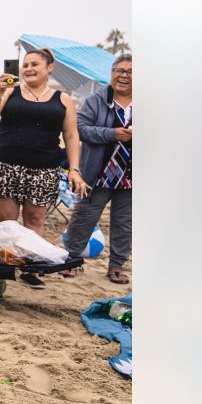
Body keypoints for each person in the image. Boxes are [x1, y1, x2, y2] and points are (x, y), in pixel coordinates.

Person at [0, 47, 88, 289]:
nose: (28, 69)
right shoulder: (11, 91)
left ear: (49, 68)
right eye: (26, 65)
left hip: (45, 168)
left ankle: (30, 268)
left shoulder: (62, 99)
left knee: (35, 217)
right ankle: (5, 266)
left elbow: (72, 136)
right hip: (8, 163)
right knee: (7, 220)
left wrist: (74, 168)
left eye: (35, 65)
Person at [63, 54, 132, 284]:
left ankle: (116, 266)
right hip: (98, 172)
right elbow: (80, 128)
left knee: (125, 222)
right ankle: (71, 260)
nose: (123, 75)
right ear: (111, 74)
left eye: (130, 72)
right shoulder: (97, 100)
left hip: (131, 176)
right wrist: (113, 134)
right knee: (84, 217)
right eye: (118, 70)